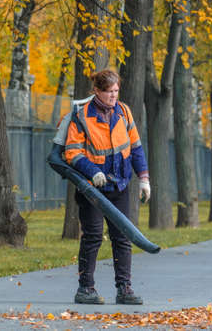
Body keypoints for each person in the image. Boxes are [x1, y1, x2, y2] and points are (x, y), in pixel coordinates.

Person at [64, 69, 150, 305]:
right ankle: (85, 289)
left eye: (116, 91)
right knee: (92, 236)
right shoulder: (82, 116)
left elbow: (135, 148)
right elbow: (72, 152)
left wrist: (143, 178)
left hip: (120, 185)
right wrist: (93, 172)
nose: (114, 96)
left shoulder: (123, 112)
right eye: (109, 92)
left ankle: (124, 289)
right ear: (97, 91)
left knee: (122, 236)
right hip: (92, 189)